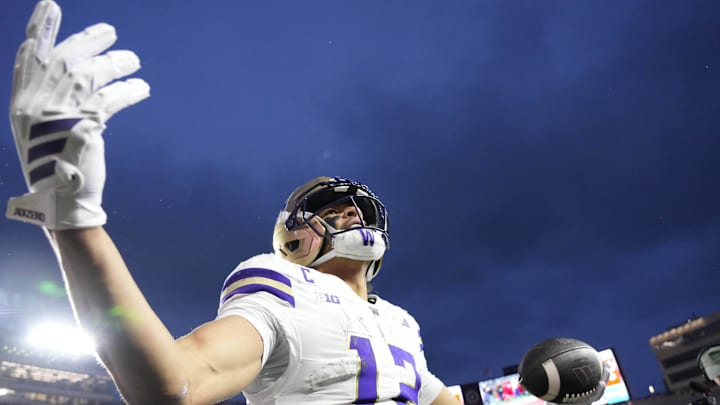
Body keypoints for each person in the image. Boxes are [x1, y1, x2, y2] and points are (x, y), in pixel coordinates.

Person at [5, 1, 608, 404]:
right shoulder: (276, 281)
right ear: (291, 234)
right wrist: (76, 222)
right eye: (331, 210)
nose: (350, 216)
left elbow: (439, 397)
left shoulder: (400, 321)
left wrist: (543, 391)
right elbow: (179, 382)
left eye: (360, 212)